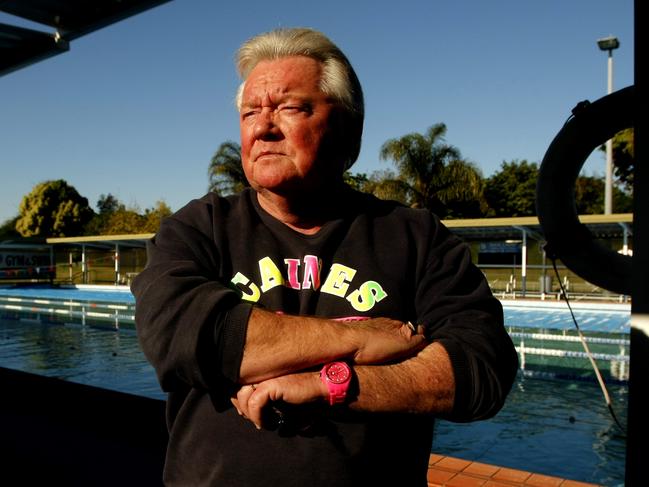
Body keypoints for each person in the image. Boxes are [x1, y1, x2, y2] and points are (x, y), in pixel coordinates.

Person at [132, 27, 518, 487]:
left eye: (289, 107)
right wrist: (363, 340)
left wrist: (332, 384)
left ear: (348, 131)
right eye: (251, 111)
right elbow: (185, 335)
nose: (263, 127)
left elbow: (482, 366)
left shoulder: (415, 236)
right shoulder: (198, 228)